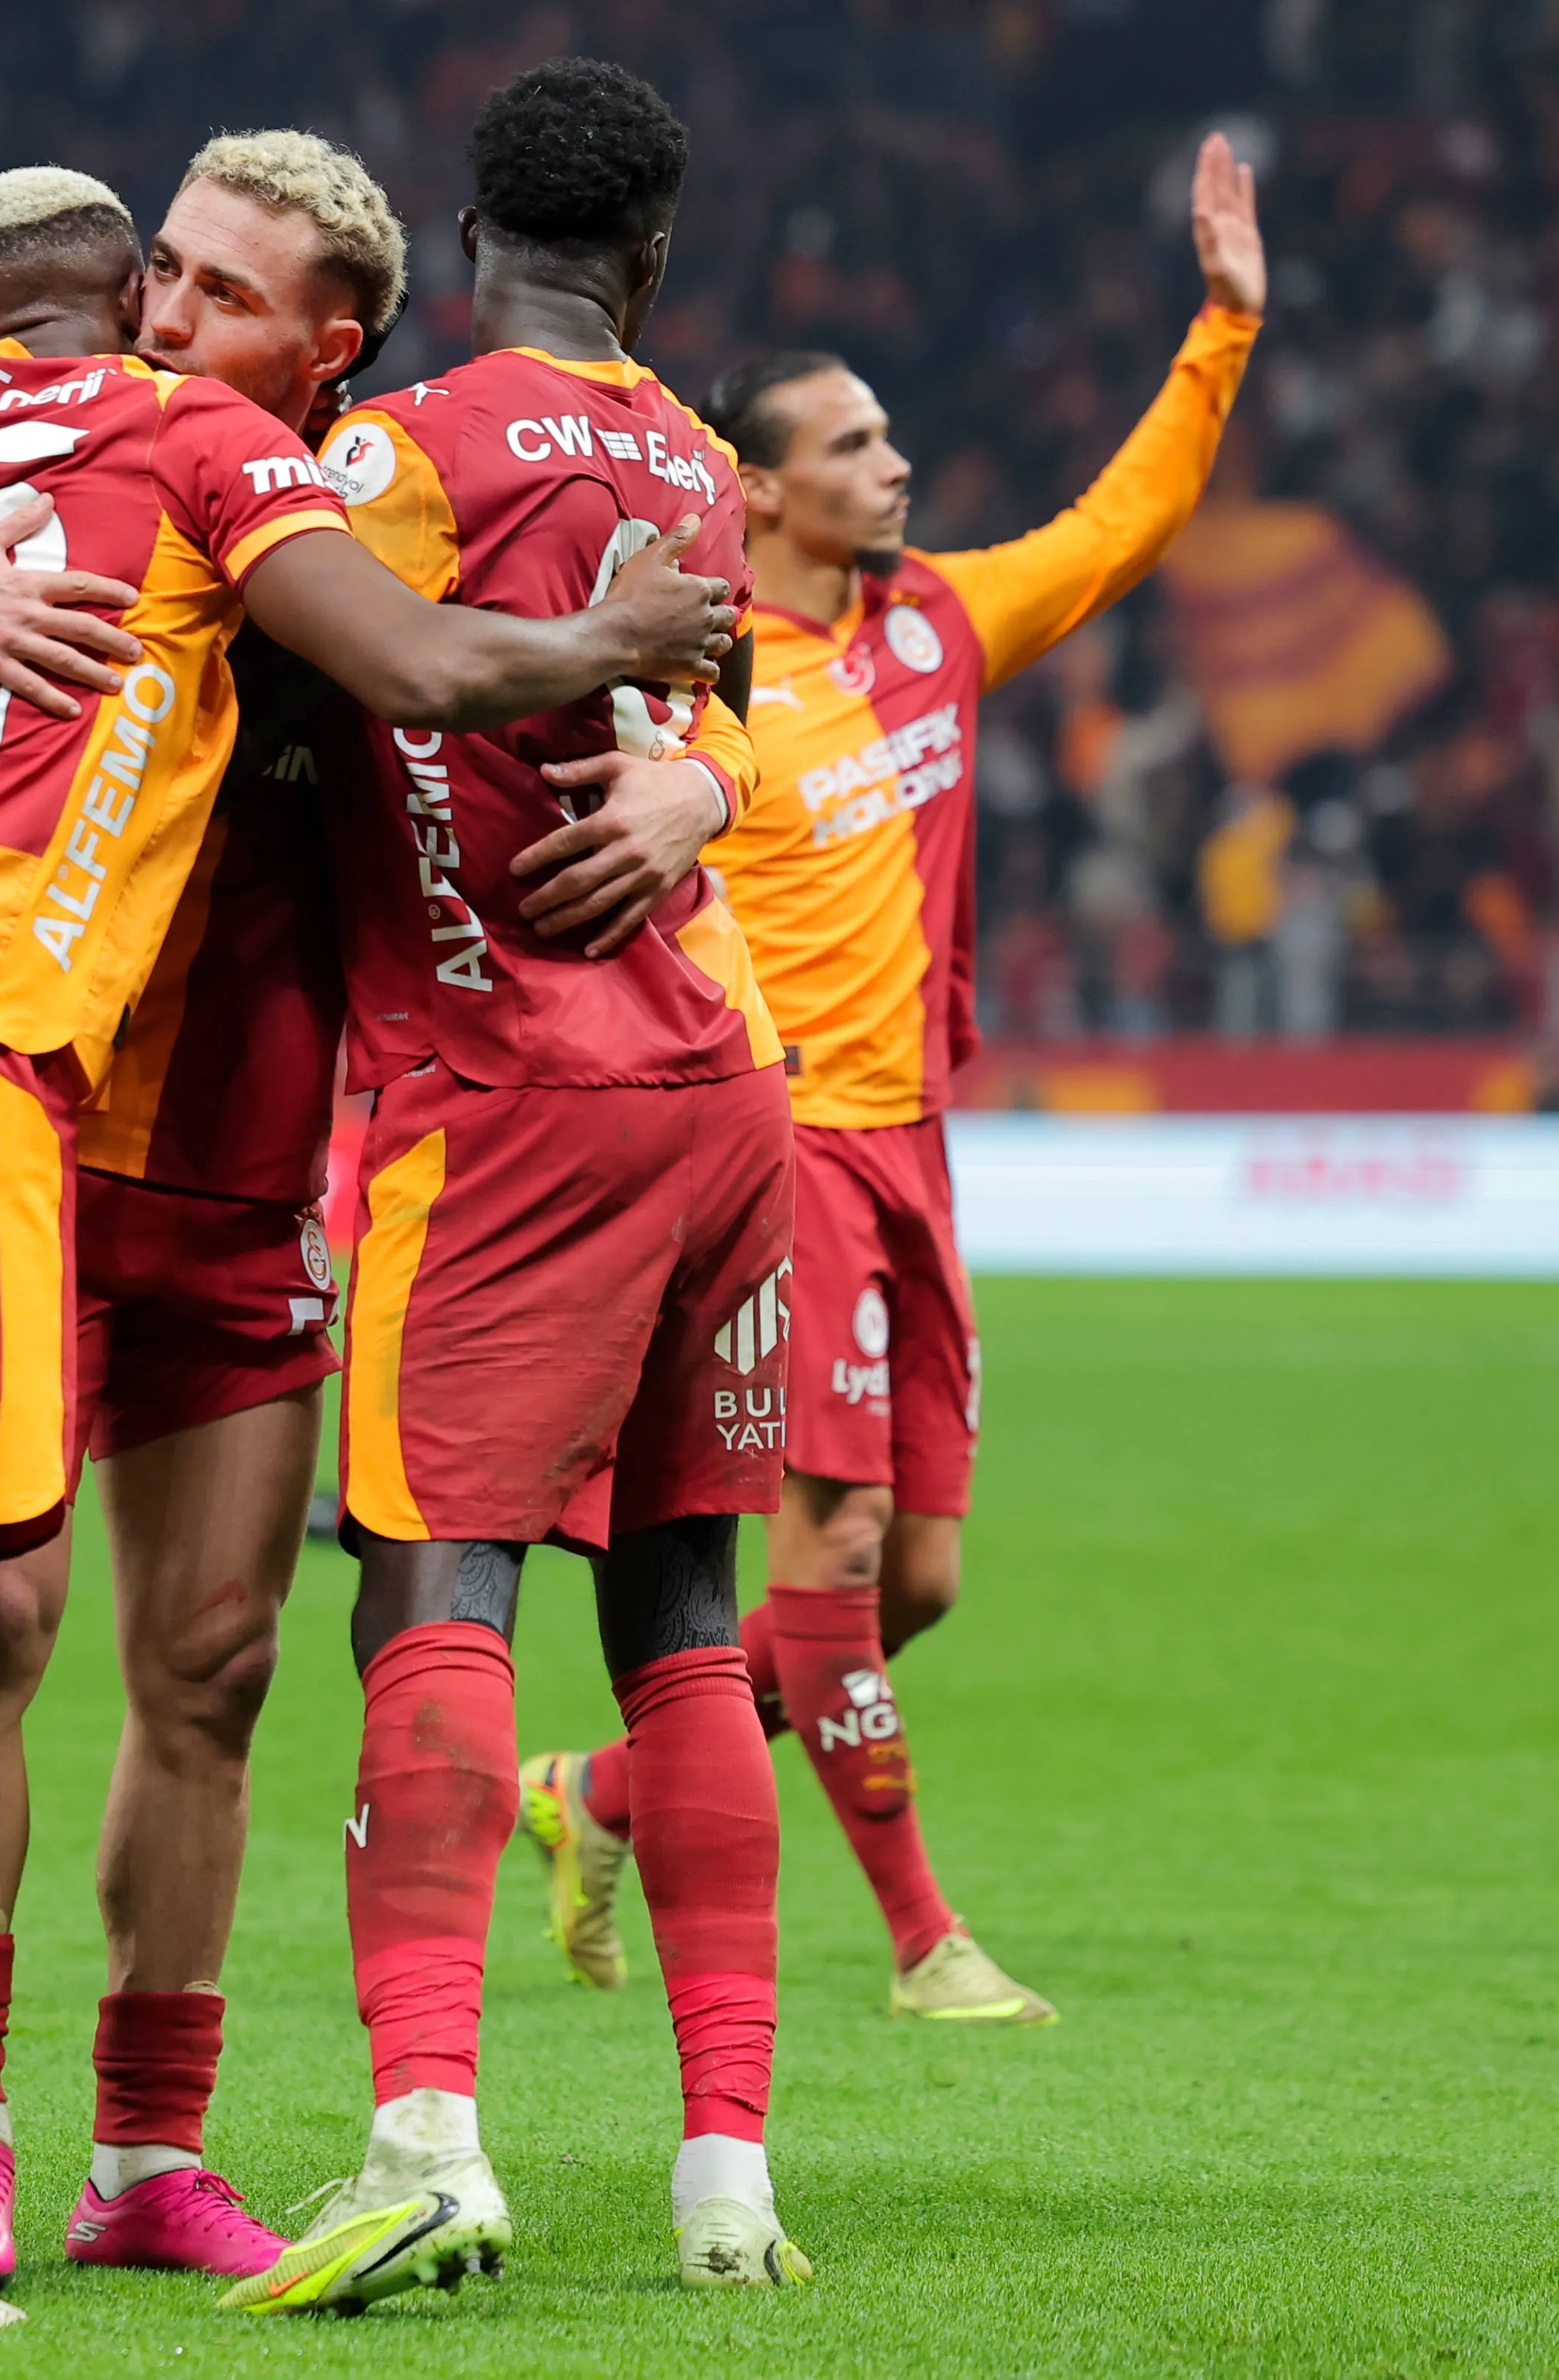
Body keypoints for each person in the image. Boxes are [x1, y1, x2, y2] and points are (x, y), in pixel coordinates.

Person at [0, 163, 736, 2326]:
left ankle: (147, 2151)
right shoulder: (102, 471)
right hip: (12, 1106)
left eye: (224, 291)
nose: (170, 311)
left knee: (210, 1664)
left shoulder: (338, 503)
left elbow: (601, 671)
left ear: (330, 345)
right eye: (161, 270)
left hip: (231, 1159)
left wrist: (703, 767)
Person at [518, 131, 1266, 2027]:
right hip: (796, 1152)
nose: (893, 464)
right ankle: (924, 1941)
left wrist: (1221, 335)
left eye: (887, 437)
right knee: (831, 1547)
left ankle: (586, 1791)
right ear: (754, 485)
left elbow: (1112, 535)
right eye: (851, 445)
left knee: (913, 1577)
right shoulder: (700, 674)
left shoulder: (932, 619)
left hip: (921, 1146)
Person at [224, 57, 810, 2315]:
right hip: (721, 1095)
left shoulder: (403, 450)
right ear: (651, 262)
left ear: (468, 245)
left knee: (432, 1590)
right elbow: (720, 714)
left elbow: (329, 677)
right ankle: (727, 2184)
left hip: (507, 1105)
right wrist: (707, 795)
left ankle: (425, 2140)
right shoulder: (688, 454)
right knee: (682, 1613)